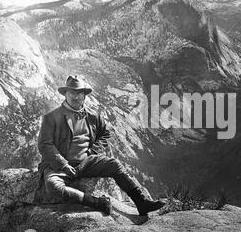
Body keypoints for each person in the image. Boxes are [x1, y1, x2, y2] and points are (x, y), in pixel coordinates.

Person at [37, 75, 166, 216]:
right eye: (72, 93)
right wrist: (63, 165)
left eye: (79, 93)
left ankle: (141, 202)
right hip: (61, 165)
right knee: (53, 185)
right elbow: (45, 145)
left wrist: (91, 152)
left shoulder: (93, 116)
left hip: (86, 162)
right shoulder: (51, 117)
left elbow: (105, 134)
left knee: (114, 165)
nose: (75, 97)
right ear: (65, 94)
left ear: (84, 95)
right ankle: (97, 203)